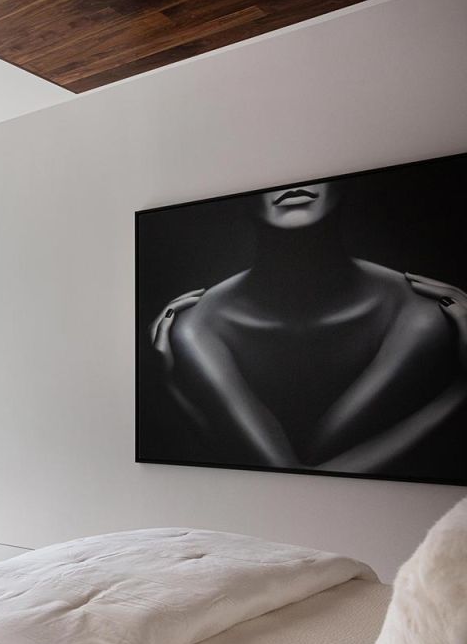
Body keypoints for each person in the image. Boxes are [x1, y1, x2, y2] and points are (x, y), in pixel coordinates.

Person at [151, 181, 467, 474]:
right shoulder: (199, 328)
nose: (295, 186)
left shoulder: (419, 315)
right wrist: (459, 394)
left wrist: (174, 390)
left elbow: (291, 474)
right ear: (241, 205)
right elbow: (292, 474)